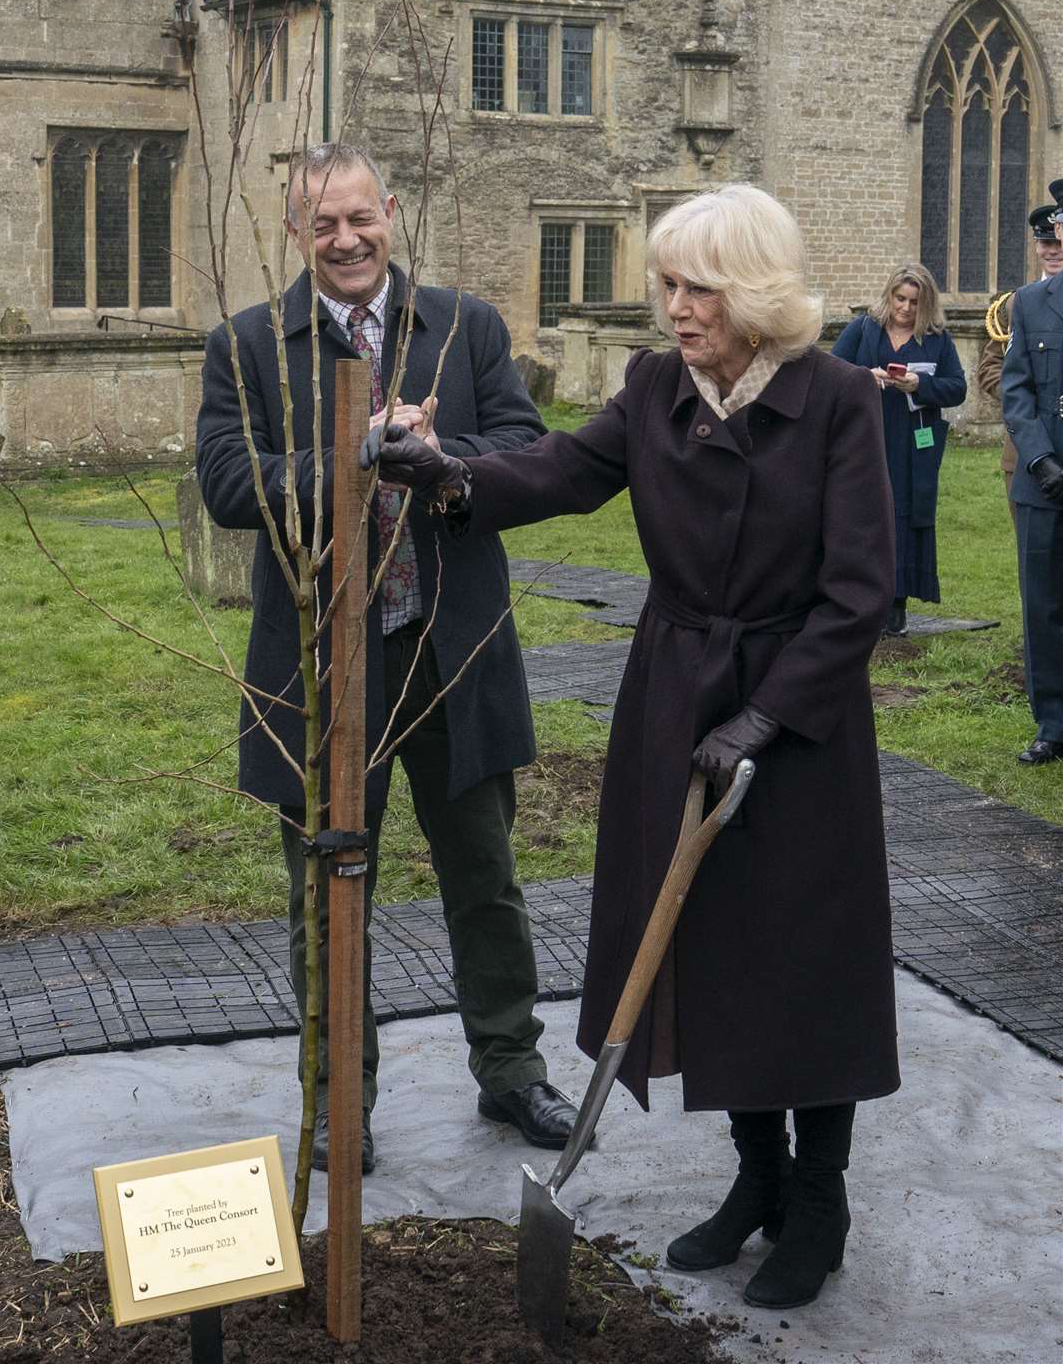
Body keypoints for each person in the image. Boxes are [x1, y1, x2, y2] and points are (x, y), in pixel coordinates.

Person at [365, 185, 901, 1310]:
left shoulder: (841, 400)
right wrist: (452, 474)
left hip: (793, 721)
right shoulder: (658, 387)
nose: (676, 307)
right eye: (666, 285)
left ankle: (820, 1202)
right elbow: (563, 469)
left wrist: (766, 716)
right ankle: (756, 1178)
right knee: (712, 948)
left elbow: (861, 593)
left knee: (802, 957)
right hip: (676, 698)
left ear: (754, 289)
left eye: (696, 286)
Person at [196, 142, 581, 1175]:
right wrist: (351, 459)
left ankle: (511, 1069)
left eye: (360, 217)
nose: (345, 239)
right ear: (294, 231)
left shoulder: (465, 326)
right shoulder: (247, 347)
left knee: (486, 875)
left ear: (391, 212)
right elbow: (230, 481)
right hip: (322, 662)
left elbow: (525, 449)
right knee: (328, 887)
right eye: (322, 224)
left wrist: (446, 465)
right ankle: (341, 1100)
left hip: (450, 649)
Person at [832, 262, 966, 637]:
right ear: (889, 295)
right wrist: (864, 377)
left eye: (914, 302)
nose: (905, 308)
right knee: (862, 513)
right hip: (864, 439)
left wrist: (918, 385)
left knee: (903, 516)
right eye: (900, 299)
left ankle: (896, 604)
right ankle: (856, 600)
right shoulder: (863, 329)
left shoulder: (937, 338)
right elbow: (829, 370)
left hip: (912, 443)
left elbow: (957, 388)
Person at [1001, 178, 1063, 767]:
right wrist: (1041, 460)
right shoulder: (1030, 302)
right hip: (1045, 482)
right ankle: (1053, 722)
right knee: (1042, 605)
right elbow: (1015, 390)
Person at [977, 204, 1063, 529]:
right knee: (1034, 558)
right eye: (1046, 245)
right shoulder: (1015, 304)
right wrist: (1026, 402)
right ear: (1039, 246)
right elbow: (991, 368)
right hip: (1026, 453)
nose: (1053, 253)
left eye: (1057, 247)